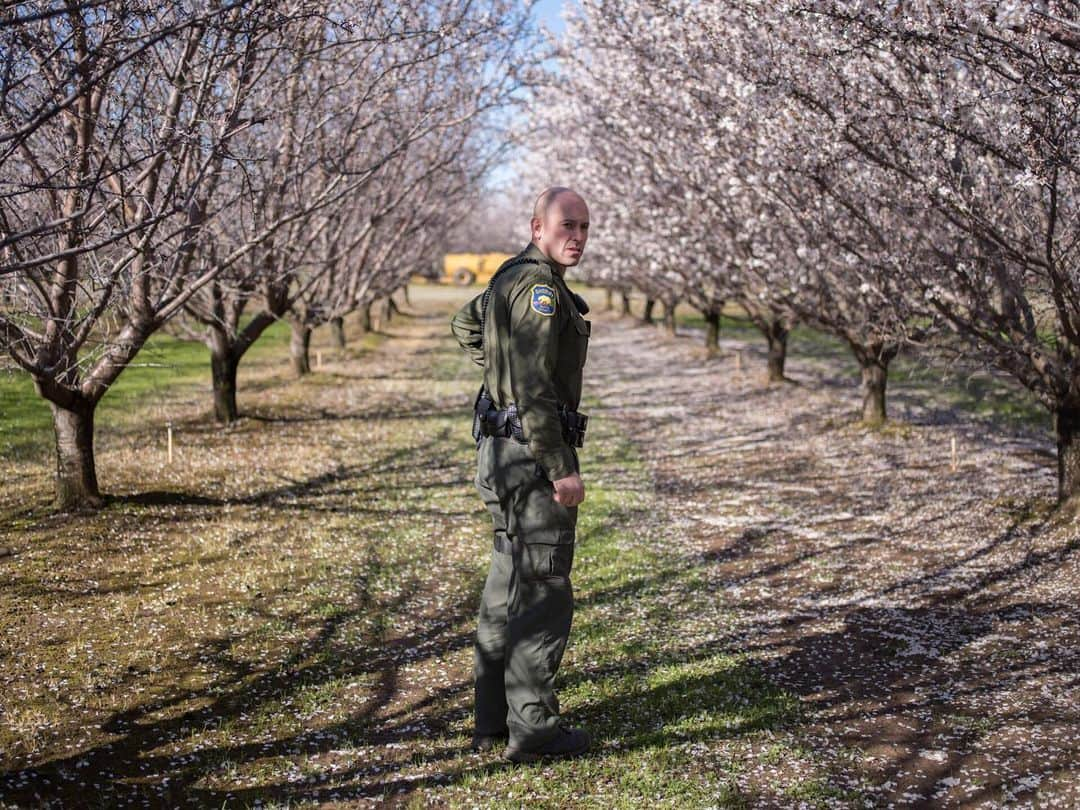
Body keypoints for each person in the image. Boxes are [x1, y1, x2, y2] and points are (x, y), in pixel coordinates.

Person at [450, 186, 593, 763]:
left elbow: (466, 326)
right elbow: (534, 389)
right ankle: (532, 731)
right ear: (538, 228)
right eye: (566, 226)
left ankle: (490, 721)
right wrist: (560, 467)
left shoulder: (511, 275)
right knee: (542, 591)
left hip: (499, 454)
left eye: (584, 226)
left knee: (506, 585)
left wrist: (499, 376)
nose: (577, 237)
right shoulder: (538, 289)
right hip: (531, 459)